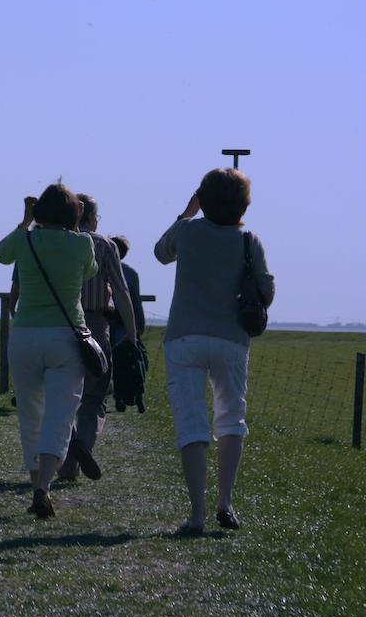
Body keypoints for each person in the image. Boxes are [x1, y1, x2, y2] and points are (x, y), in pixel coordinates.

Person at [154, 168, 274, 535]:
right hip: (230, 339)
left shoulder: (188, 232)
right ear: (243, 204)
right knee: (231, 418)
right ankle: (226, 501)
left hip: (185, 336)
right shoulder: (248, 240)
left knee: (192, 424)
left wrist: (186, 213)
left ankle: (197, 514)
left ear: (203, 199)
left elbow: (161, 253)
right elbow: (266, 292)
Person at [0, 182, 96, 519]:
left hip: (24, 336)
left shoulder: (25, 239)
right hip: (66, 337)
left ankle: (36, 481)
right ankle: (44, 489)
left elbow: (0, 254)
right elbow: (90, 270)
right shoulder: (82, 244)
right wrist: (77, 225)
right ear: (73, 213)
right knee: (60, 414)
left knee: (30, 414)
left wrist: (26, 221)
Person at [57, 195, 138, 481]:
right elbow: (120, 290)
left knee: (62, 397)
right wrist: (131, 332)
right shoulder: (104, 245)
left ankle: (70, 450)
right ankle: (81, 455)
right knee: (94, 397)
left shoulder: (57, 242)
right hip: (95, 324)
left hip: (60, 324)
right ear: (92, 217)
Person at [108, 236, 145, 346]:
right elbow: (135, 301)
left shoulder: (97, 267)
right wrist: (139, 325)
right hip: (123, 323)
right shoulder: (130, 274)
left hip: (101, 319)